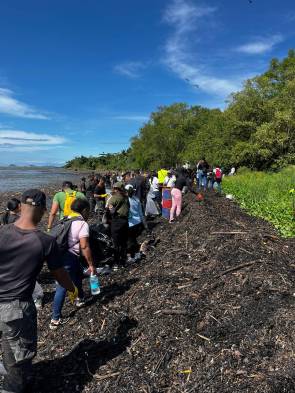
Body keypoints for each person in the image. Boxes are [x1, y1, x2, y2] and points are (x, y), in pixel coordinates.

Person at [0, 189, 77, 393]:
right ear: (43, 211)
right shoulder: (45, 241)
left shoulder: (2, 231)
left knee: (9, 350)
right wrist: (72, 289)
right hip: (16, 308)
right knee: (19, 360)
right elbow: (60, 274)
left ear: (20, 208)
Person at [50, 198, 96, 329]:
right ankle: (55, 318)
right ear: (85, 210)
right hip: (69, 257)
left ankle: (79, 299)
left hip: (61, 255)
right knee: (62, 286)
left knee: (78, 276)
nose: (89, 213)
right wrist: (91, 264)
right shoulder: (82, 224)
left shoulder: (66, 219)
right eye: (89, 211)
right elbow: (84, 246)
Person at [106, 182, 129, 270]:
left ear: (116, 189)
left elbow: (110, 209)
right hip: (125, 221)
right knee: (123, 242)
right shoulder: (126, 197)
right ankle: (123, 261)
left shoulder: (114, 198)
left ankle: (116, 262)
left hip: (117, 221)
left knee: (116, 242)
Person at [125, 184, 147, 263]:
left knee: (129, 241)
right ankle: (137, 254)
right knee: (133, 239)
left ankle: (131, 256)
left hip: (129, 223)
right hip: (137, 223)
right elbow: (141, 214)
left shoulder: (125, 200)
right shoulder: (136, 199)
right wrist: (145, 225)